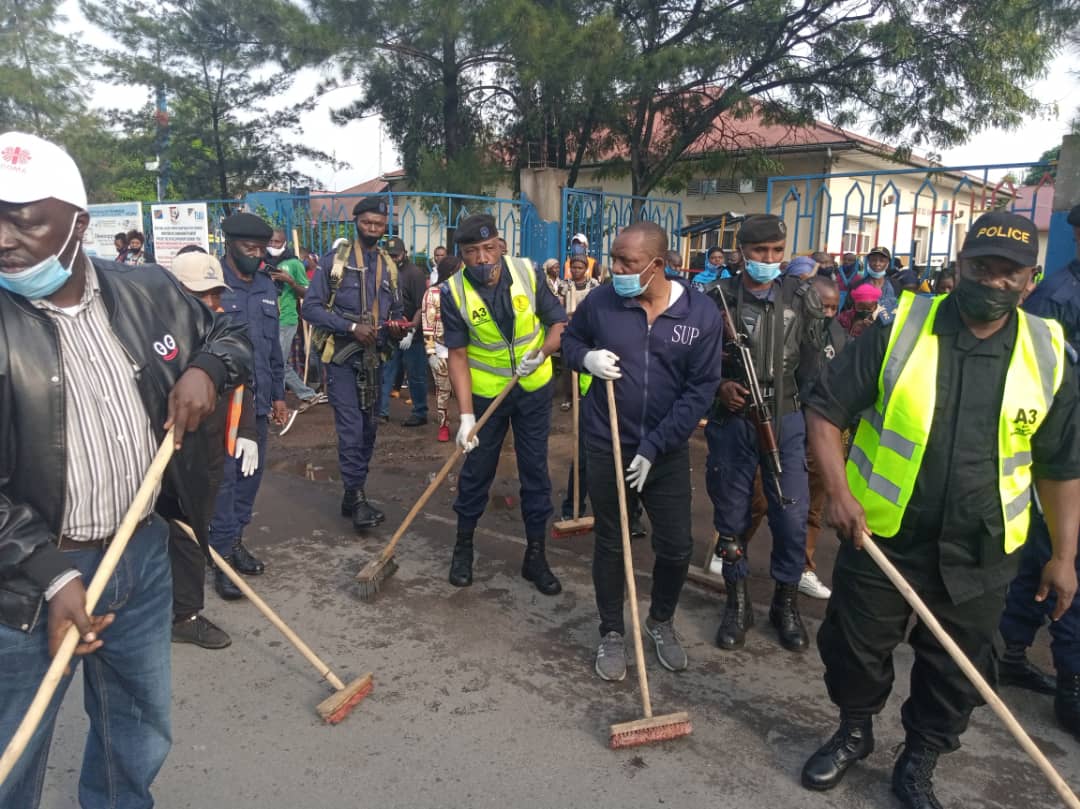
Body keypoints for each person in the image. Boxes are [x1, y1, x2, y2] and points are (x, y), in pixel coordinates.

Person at [0, 131, 252, 809]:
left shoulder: (150, 291)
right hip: (25, 582)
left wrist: (206, 367)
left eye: (20, 216)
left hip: (138, 554)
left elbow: (232, 338)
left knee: (133, 737)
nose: (0, 235)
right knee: (12, 754)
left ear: (78, 224)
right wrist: (52, 577)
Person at [799, 211, 1080, 807]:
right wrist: (842, 497)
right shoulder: (899, 327)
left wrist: (1063, 555)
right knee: (854, 648)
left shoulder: (1048, 352)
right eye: (983, 267)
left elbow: (1059, 465)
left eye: (1010, 272)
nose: (995, 281)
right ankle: (854, 732)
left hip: (983, 548)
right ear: (959, 267)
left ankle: (920, 758)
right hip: (879, 535)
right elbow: (825, 410)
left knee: (957, 670)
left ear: (1030, 280)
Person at [563, 221, 724, 679]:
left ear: (657, 266)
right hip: (607, 440)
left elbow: (700, 390)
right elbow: (572, 341)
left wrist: (655, 446)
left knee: (675, 546)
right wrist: (585, 359)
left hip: (664, 451)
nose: (615, 269)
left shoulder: (700, 316)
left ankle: (659, 621)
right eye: (614, 259)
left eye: (626, 262)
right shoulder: (601, 302)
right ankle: (612, 631)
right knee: (612, 542)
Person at [702, 214, 822, 653]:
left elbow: (814, 367)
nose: (768, 260)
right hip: (732, 423)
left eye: (775, 252)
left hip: (786, 419)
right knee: (731, 519)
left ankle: (784, 605)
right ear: (741, 253)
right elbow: (694, 362)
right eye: (758, 252)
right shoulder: (716, 298)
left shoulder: (801, 296)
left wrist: (814, 427)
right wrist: (719, 387)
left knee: (791, 518)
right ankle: (737, 603)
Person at [442, 214, 566, 594]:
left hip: (533, 390)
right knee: (477, 471)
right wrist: (465, 417)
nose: (482, 259)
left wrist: (543, 352)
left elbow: (559, 324)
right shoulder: (453, 292)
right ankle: (463, 548)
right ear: (461, 256)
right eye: (471, 252)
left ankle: (535, 555)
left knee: (535, 472)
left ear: (501, 245)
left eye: (488, 248)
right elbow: (458, 356)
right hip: (485, 396)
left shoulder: (528, 273)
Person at [996, 202, 1080, 740]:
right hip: (1061, 455)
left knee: (1039, 563)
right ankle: (1073, 683)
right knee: (1064, 562)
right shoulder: (1059, 300)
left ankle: (1008, 651)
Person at [163, 251, 259, 650]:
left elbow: (241, 383)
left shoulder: (223, 334)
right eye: (201, 295)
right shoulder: (154, 341)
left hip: (207, 452)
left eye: (216, 295)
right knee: (152, 535)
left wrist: (249, 432)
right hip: (162, 454)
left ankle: (185, 615)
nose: (213, 305)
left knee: (190, 533)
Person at [302, 197, 404, 530]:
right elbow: (311, 308)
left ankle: (351, 493)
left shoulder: (389, 265)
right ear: (356, 222)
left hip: (375, 357)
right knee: (351, 428)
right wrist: (350, 327)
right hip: (342, 357)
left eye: (378, 224)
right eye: (367, 223)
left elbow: (396, 311)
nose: (373, 229)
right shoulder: (335, 262)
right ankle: (358, 499)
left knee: (370, 428)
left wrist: (399, 327)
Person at [208, 212, 288, 599]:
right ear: (229, 245)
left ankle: (233, 542)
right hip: (223, 410)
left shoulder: (265, 286)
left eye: (262, 248)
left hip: (257, 407)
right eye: (249, 248)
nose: (257, 256)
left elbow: (272, 348)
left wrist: (278, 396)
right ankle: (221, 557)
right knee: (224, 484)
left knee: (249, 481)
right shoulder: (213, 287)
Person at [795, 275, 848, 600]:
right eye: (821, 305)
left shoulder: (840, 337)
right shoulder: (787, 329)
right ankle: (731, 551)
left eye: (833, 306)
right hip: (783, 427)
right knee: (756, 501)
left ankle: (804, 568)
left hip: (821, 433)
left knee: (813, 506)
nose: (827, 313)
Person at [557, 254, 602, 512]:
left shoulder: (597, 291)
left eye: (580, 266)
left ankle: (629, 514)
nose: (575, 270)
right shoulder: (566, 287)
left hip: (617, 395)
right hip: (588, 393)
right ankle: (573, 506)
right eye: (572, 266)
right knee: (583, 453)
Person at [266, 229, 324, 414]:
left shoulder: (294, 263)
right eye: (271, 242)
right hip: (266, 318)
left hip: (286, 319)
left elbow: (308, 293)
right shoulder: (262, 261)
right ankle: (306, 395)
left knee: (278, 364)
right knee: (273, 362)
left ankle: (304, 394)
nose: (273, 246)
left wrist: (290, 282)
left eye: (277, 242)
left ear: (284, 243)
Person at [379, 236, 429, 426]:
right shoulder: (383, 272)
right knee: (385, 373)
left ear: (404, 254)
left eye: (396, 255)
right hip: (390, 331)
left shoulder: (414, 274)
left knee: (416, 375)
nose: (393, 259)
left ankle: (420, 412)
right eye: (390, 256)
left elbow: (420, 306)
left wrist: (411, 331)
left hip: (411, 334)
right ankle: (382, 412)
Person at [423, 255, 462, 442]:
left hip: (463, 349)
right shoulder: (433, 293)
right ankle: (443, 425)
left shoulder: (465, 292)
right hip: (441, 348)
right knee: (443, 390)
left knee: (465, 390)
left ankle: (466, 423)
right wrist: (430, 352)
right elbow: (428, 324)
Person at [851, 245, 898, 318]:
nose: (877, 264)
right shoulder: (857, 285)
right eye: (873, 260)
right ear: (868, 262)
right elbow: (850, 311)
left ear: (888, 263)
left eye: (882, 261)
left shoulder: (896, 285)